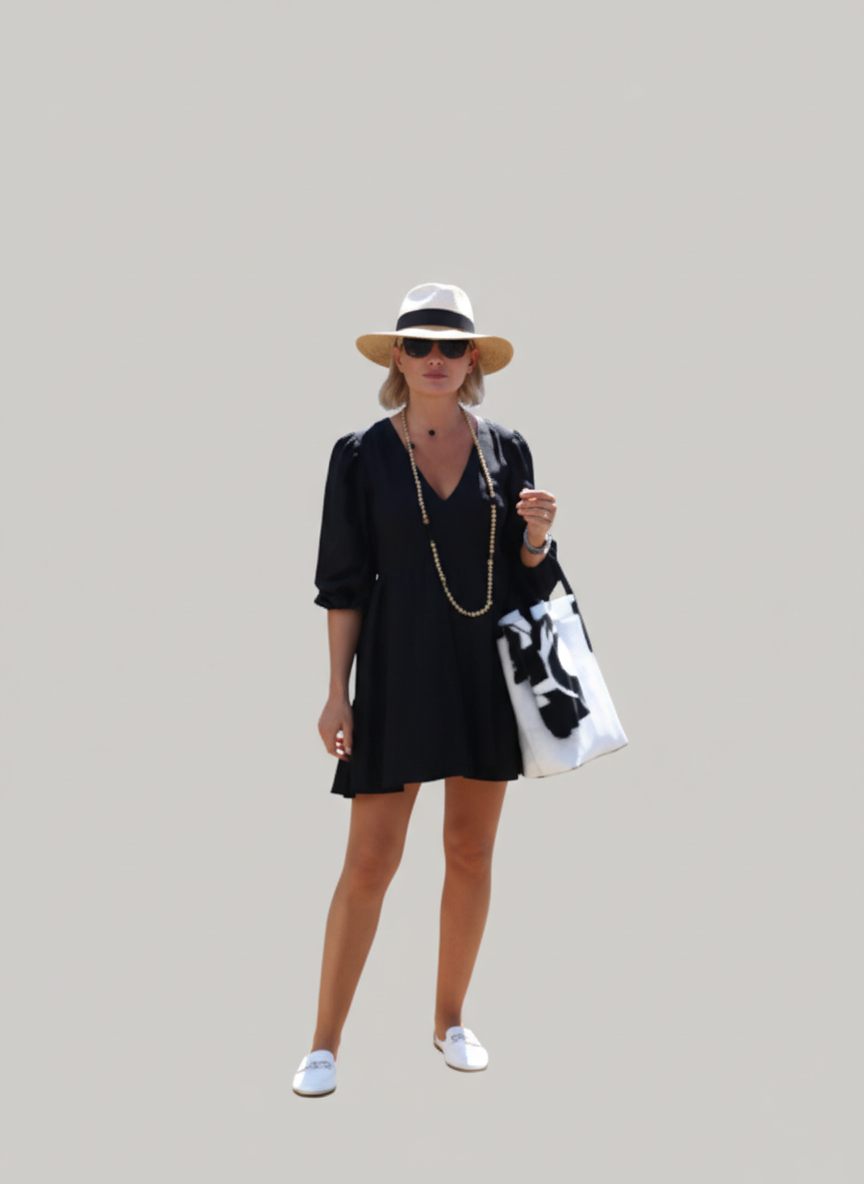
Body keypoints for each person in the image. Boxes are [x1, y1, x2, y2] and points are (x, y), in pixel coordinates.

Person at [293, 283, 561, 1097]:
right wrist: (336, 692)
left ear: (472, 358)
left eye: (451, 346)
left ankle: (450, 1021)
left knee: (470, 850)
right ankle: (323, 1041)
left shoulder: (508, 449)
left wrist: (538, 538)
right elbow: (343, 584)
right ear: (399, 359)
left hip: (485, 669)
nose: (436, 358)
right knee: (370, 859)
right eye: (420, 345)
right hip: (398, 665)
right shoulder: (359, 455)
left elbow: (530, 577)